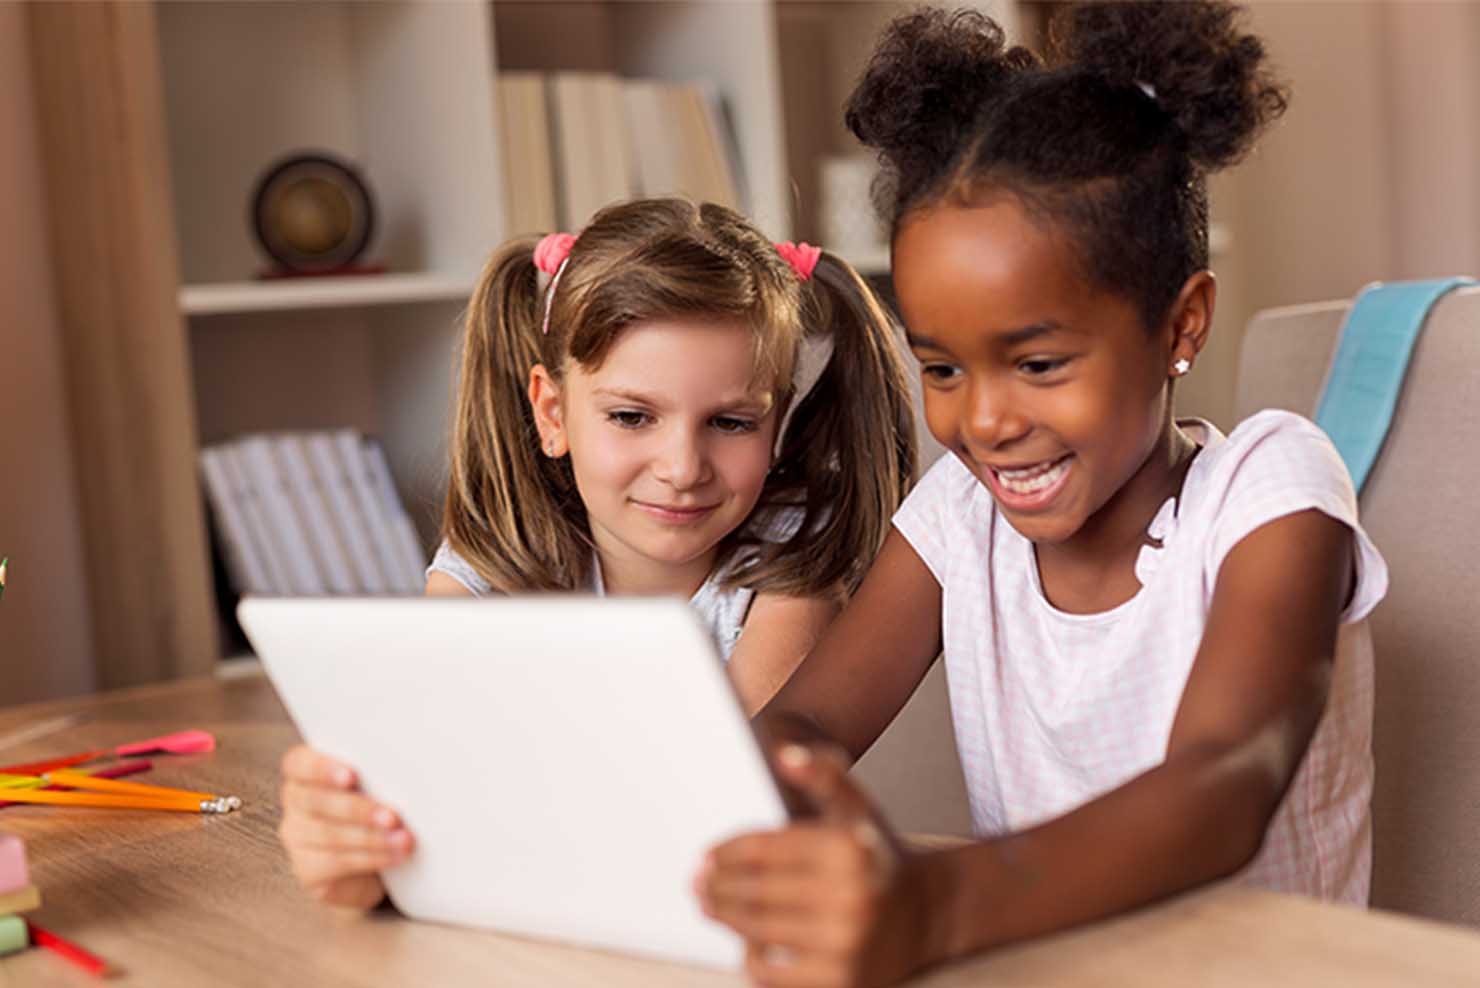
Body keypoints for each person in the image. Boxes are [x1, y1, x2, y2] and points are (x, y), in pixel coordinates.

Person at [696, 4, 1389, 986]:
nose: (983, 420)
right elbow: (804, 727)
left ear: (1180, 324)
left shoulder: (1271, 492)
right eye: (940, 368)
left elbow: (1223, 786)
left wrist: (932, 900)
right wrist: (759, 795)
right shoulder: (957, 520)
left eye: (1038, 361)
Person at [278, 197, 918, 909]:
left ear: (777, 423)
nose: (682, 466)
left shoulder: (792, 557)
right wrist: (353, 850)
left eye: (731, 422)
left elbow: (714, 805)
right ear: (552, 412)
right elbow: (412, 807)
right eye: (631, 416)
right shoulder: (490, 563)